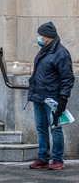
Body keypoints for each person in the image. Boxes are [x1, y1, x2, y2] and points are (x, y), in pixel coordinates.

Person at [28, 21, 74, 170]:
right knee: (41, 128)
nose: (38, 38)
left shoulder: (61, 53)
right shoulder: (44, 50)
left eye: (40, 35)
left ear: (48, 37)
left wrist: (63, 99)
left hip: (52, 98)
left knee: (55, 127)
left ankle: (58, 159)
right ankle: (43, 157)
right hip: (39, 96)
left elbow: (67, 78)